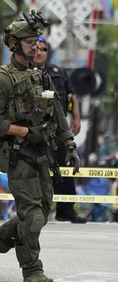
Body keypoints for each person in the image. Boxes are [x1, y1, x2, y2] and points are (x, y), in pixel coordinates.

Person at [0, 17, 80, 282]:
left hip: (42, 153)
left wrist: (70, 145)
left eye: (38, 43)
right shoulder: (2, 79)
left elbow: (57, 114)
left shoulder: (40, 75)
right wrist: (22, 131)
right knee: (33, 215)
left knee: (40, 211)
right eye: (29, 43)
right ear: (14, 45)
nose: (35, 48)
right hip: (17, 154)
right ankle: (32, 271)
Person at [33, 37, 86, 224]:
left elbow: (71, 96)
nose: (39, 52)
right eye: (36, 49)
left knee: (65, 168)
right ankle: (36, 211)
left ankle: (66, 210)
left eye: (43, 49)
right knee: (36, 172)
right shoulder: (24, 74)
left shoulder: (58, 72)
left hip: (58, 132)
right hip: (36, 133)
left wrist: (77, 118)